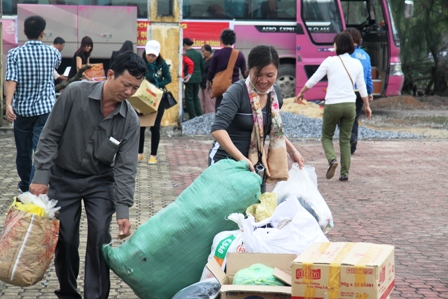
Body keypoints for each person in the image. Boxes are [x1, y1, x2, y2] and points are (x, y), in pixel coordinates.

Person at [29, 51, 147, 299]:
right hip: (63, 177)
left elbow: (126, 168)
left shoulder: (130, 120)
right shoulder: (74, 93)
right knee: (67, 238)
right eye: (126, 85)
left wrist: (123, 209)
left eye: (135, 88)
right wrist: (41, 175)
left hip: (100, 183)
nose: (129, 92)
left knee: (99, 239)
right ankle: (68, 292)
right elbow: (50, 135)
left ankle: (96, 296)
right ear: (111, 75)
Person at [209, 45, 305, 193]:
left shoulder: (275, 94)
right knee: (228, 213)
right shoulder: (237, 91)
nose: (263, 80)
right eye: (258, 74)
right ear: (249, 70)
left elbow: (272, 129)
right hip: (226, 162)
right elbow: (217, 129)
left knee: (255, 212)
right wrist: (241, 158)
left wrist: (292, 151)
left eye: (270, 75)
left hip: (255, 165)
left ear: (277, 72)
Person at [295, 32, 372, 182]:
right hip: (350, 105)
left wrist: (301, 93)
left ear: (338, 46)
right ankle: (344, 173)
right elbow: (362, 87)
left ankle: (332, 160)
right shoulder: (356, 63)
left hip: (333, 105)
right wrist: (367, 106)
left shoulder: (330, 61)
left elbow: (314, 79)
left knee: (326, 137)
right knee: (345, 139)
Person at [5, 15, 61, 193]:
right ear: (43, 33)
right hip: (45, 110)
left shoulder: (15, 53)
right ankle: (35, 186)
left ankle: (25, 185)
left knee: (23, 151)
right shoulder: (53, 53)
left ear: (24, 32)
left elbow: (11, 79)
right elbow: (56, 65)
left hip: (21, 110)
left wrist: (8, 104)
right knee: (41, 151)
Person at [138, 40, 172, 164]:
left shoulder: (162, 64)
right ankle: (139, 153)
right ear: (145, 53)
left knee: (155, 126)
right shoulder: (140, 63)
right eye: (149, 55)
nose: (151, 58)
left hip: (158, 98)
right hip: (143, 97)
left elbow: (168, 78)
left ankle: (153, 155)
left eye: (154, 55)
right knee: (141, 126)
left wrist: (158, 85)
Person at [345, 27, 373, 154]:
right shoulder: (366, 56)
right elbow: (368, 77)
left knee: (343, 118)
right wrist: (369, 92)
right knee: (354, 118)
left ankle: (350, 138)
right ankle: (352, 145)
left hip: (347, 91)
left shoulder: (346, 55)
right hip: (361, 93)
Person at [207, 29, 248, 110]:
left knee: (220, 106)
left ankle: (220, 121)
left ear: (222, 40)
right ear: (234, 40)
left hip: (221, 85)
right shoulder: (239, 54)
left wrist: (208, 81)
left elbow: (211, 70)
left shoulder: (217, 53)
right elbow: (244, 74)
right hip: (235, 85)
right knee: (234, 105)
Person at [183, 37, 204, 119]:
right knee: (196, 97)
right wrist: (199, 76)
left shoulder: (186, 55)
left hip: (188, 79)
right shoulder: (198, 54)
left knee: (189, 97)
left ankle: (192, 116)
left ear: (185, 45)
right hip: (198, 78)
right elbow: (203, 67)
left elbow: (184, 67)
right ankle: (200, 115)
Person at [199, 44, 216, 114]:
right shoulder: (202, 60)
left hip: (210, 83)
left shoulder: (213, 60)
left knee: (210, 100)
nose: (203, 53)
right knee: (202, 100)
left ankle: (211, 114)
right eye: (202, 52)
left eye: (204, 51)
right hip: (202, 82)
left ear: (209, 51)